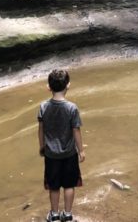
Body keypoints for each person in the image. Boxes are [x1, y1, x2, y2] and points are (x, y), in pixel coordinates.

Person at [38, 69, 86, 222]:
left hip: (51, 155)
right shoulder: (72, 108)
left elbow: (41, 130)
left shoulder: (43, 107)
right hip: (69, 154)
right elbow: (76, 130)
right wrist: (81, 150)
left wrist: (42, 147)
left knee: (53, 186)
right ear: (68, 86)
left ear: (48, 87)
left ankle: (54, 215)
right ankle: (67, 214)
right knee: (69, 185)